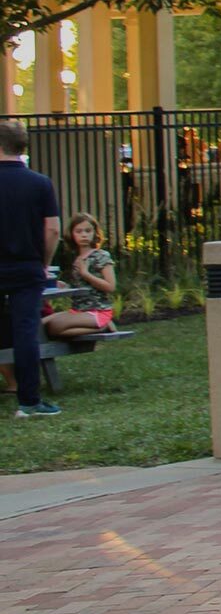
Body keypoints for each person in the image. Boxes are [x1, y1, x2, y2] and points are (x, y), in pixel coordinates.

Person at [0, 120, 61, 415]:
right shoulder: (40, 183)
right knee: (26, 331)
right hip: (26, 267)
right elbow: (52, 230)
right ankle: (29, 401)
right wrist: (44, 262)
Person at [45, 213, 114, 341]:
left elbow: (110, 286)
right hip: (78, 310)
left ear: (95, 233)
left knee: (55, 327)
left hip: (97, 311)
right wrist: (65, 286)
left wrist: (86, 274)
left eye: (88, 231)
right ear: (72, 234)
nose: (84, 235)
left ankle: (103, 326)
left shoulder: (101, 256)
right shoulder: (77, 258)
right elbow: (81, 287)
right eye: (79, 231)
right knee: (41, 324)